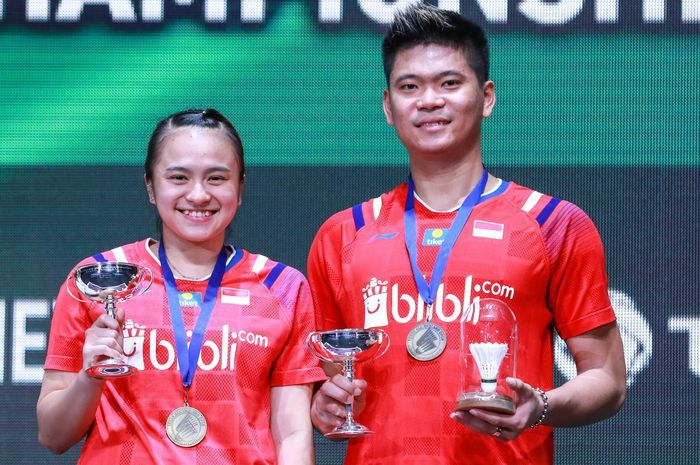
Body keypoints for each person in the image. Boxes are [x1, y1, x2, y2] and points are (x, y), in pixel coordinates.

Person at [307, 4, 626, 465]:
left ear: (488, 97)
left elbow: (609, 380)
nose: (429, 100)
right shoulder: (343, 234)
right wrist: (324, 405)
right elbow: (330, 388)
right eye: (409, 86)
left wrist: (542, 406)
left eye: (449, 83)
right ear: (388, 107)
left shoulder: (553, 223)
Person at [37, 109, 326, 464]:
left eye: (217, 178)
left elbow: (293, 436)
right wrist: (90, 376)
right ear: (150, 187)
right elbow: (52, 435)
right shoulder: (98, 278)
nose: (199, 195)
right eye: (178, 177)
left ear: (241, 187)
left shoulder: (282, 286)